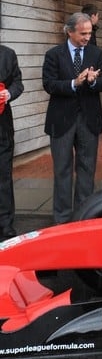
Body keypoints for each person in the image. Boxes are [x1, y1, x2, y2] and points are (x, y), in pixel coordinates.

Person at [42, 12, 102, 224]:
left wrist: (91, 82)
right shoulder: (54, 54)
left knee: (87, 169)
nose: (87, 37)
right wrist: (74, 83)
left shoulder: (96, 53)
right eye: (83, 33)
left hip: (88, 120)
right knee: (62, 170)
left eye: (89, 33)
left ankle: (84, 217)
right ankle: (61, 220)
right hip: (61, 120)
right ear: (69, 31)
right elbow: (49, 84)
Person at [0, 42, 23, 240]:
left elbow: (18, 83)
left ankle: (5, 223)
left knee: (4, 176)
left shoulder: (8, 54)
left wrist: (9, 93)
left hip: (2, 127)